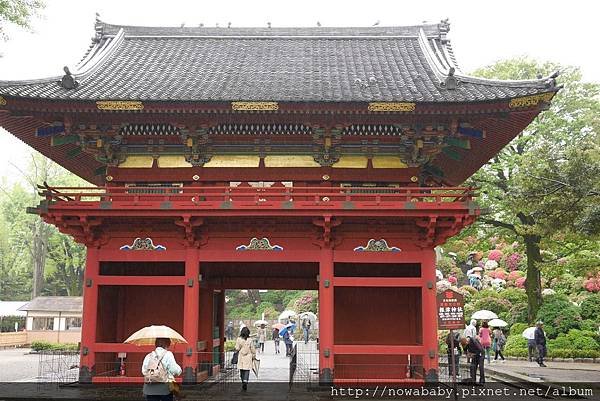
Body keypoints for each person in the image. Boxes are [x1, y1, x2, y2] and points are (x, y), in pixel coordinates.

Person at [235, 326, 257, 391]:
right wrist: (254, 356)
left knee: (241, 370)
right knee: (247, 370)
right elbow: (253, 349)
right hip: (248, 356)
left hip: (241, 356)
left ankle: (243, 381)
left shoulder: (239, 339)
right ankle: (245, 381)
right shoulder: (250, 340)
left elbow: (237, 348)